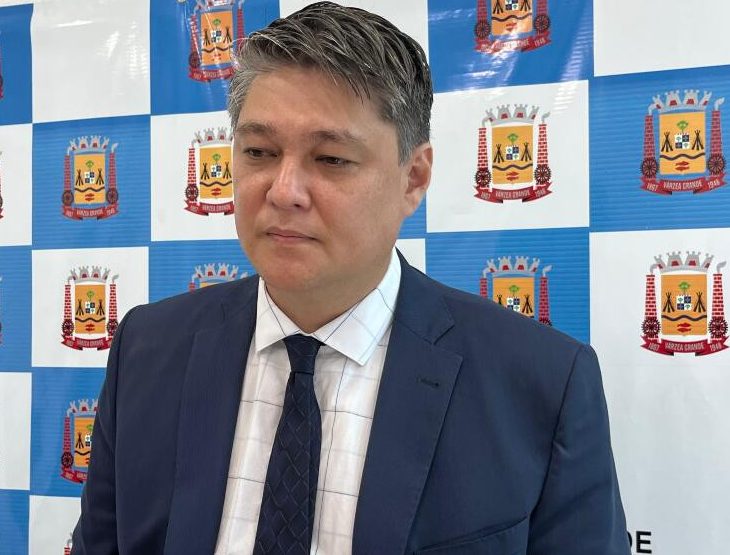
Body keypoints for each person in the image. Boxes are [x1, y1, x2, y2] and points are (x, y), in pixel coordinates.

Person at [72, 2, 629, 554]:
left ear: (414, 178)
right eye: (259, 152)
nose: (284, 191)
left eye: (331, 159)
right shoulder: (148, 350)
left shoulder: (541, 384)